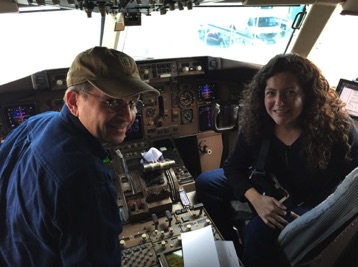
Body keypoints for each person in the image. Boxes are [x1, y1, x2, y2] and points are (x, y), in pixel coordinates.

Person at [0, 47, 159, 266]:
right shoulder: (88, 181)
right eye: (112, 101)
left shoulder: (37, 122)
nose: (128, 116)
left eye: (132, 103)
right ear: (73, 101)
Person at [195, 53, 358, 266]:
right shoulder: (257, 121)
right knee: (206, 182)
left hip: (310, 202)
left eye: (289, 92)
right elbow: (233, 166)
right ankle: (232, 248)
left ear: (307, 95)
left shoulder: (336, 128)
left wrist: (318, 216)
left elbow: (352, 184)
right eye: (271, 93)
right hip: (270, 185)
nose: (279, 102)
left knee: (256, 231)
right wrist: (255, 198)